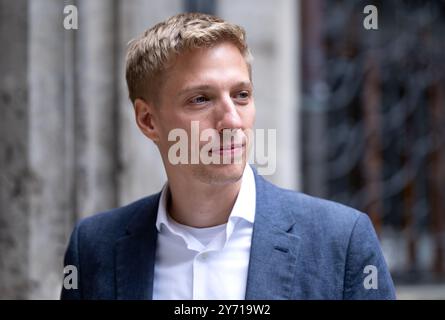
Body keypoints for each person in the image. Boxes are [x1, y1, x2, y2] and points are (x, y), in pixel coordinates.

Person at [61, 12, 396, 300]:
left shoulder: (342, 240)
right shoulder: (94, 248)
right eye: (200, 100)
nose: (232, 120)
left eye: (241, 95)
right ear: (148, 120)